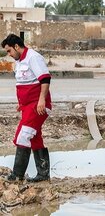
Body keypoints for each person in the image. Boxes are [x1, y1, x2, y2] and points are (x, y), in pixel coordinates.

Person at [2, 34, 52, 182]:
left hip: (38, 106)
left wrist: (42, 100)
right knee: (34, 138)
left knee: (23, 135)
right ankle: (43, 175)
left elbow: (45, 78)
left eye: (9, 51)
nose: (9, 55)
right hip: (28, 106)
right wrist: (21, 103)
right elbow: (25, 83)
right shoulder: (20, 61)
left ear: (17, 47)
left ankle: (17, 175)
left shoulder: (33, 57)